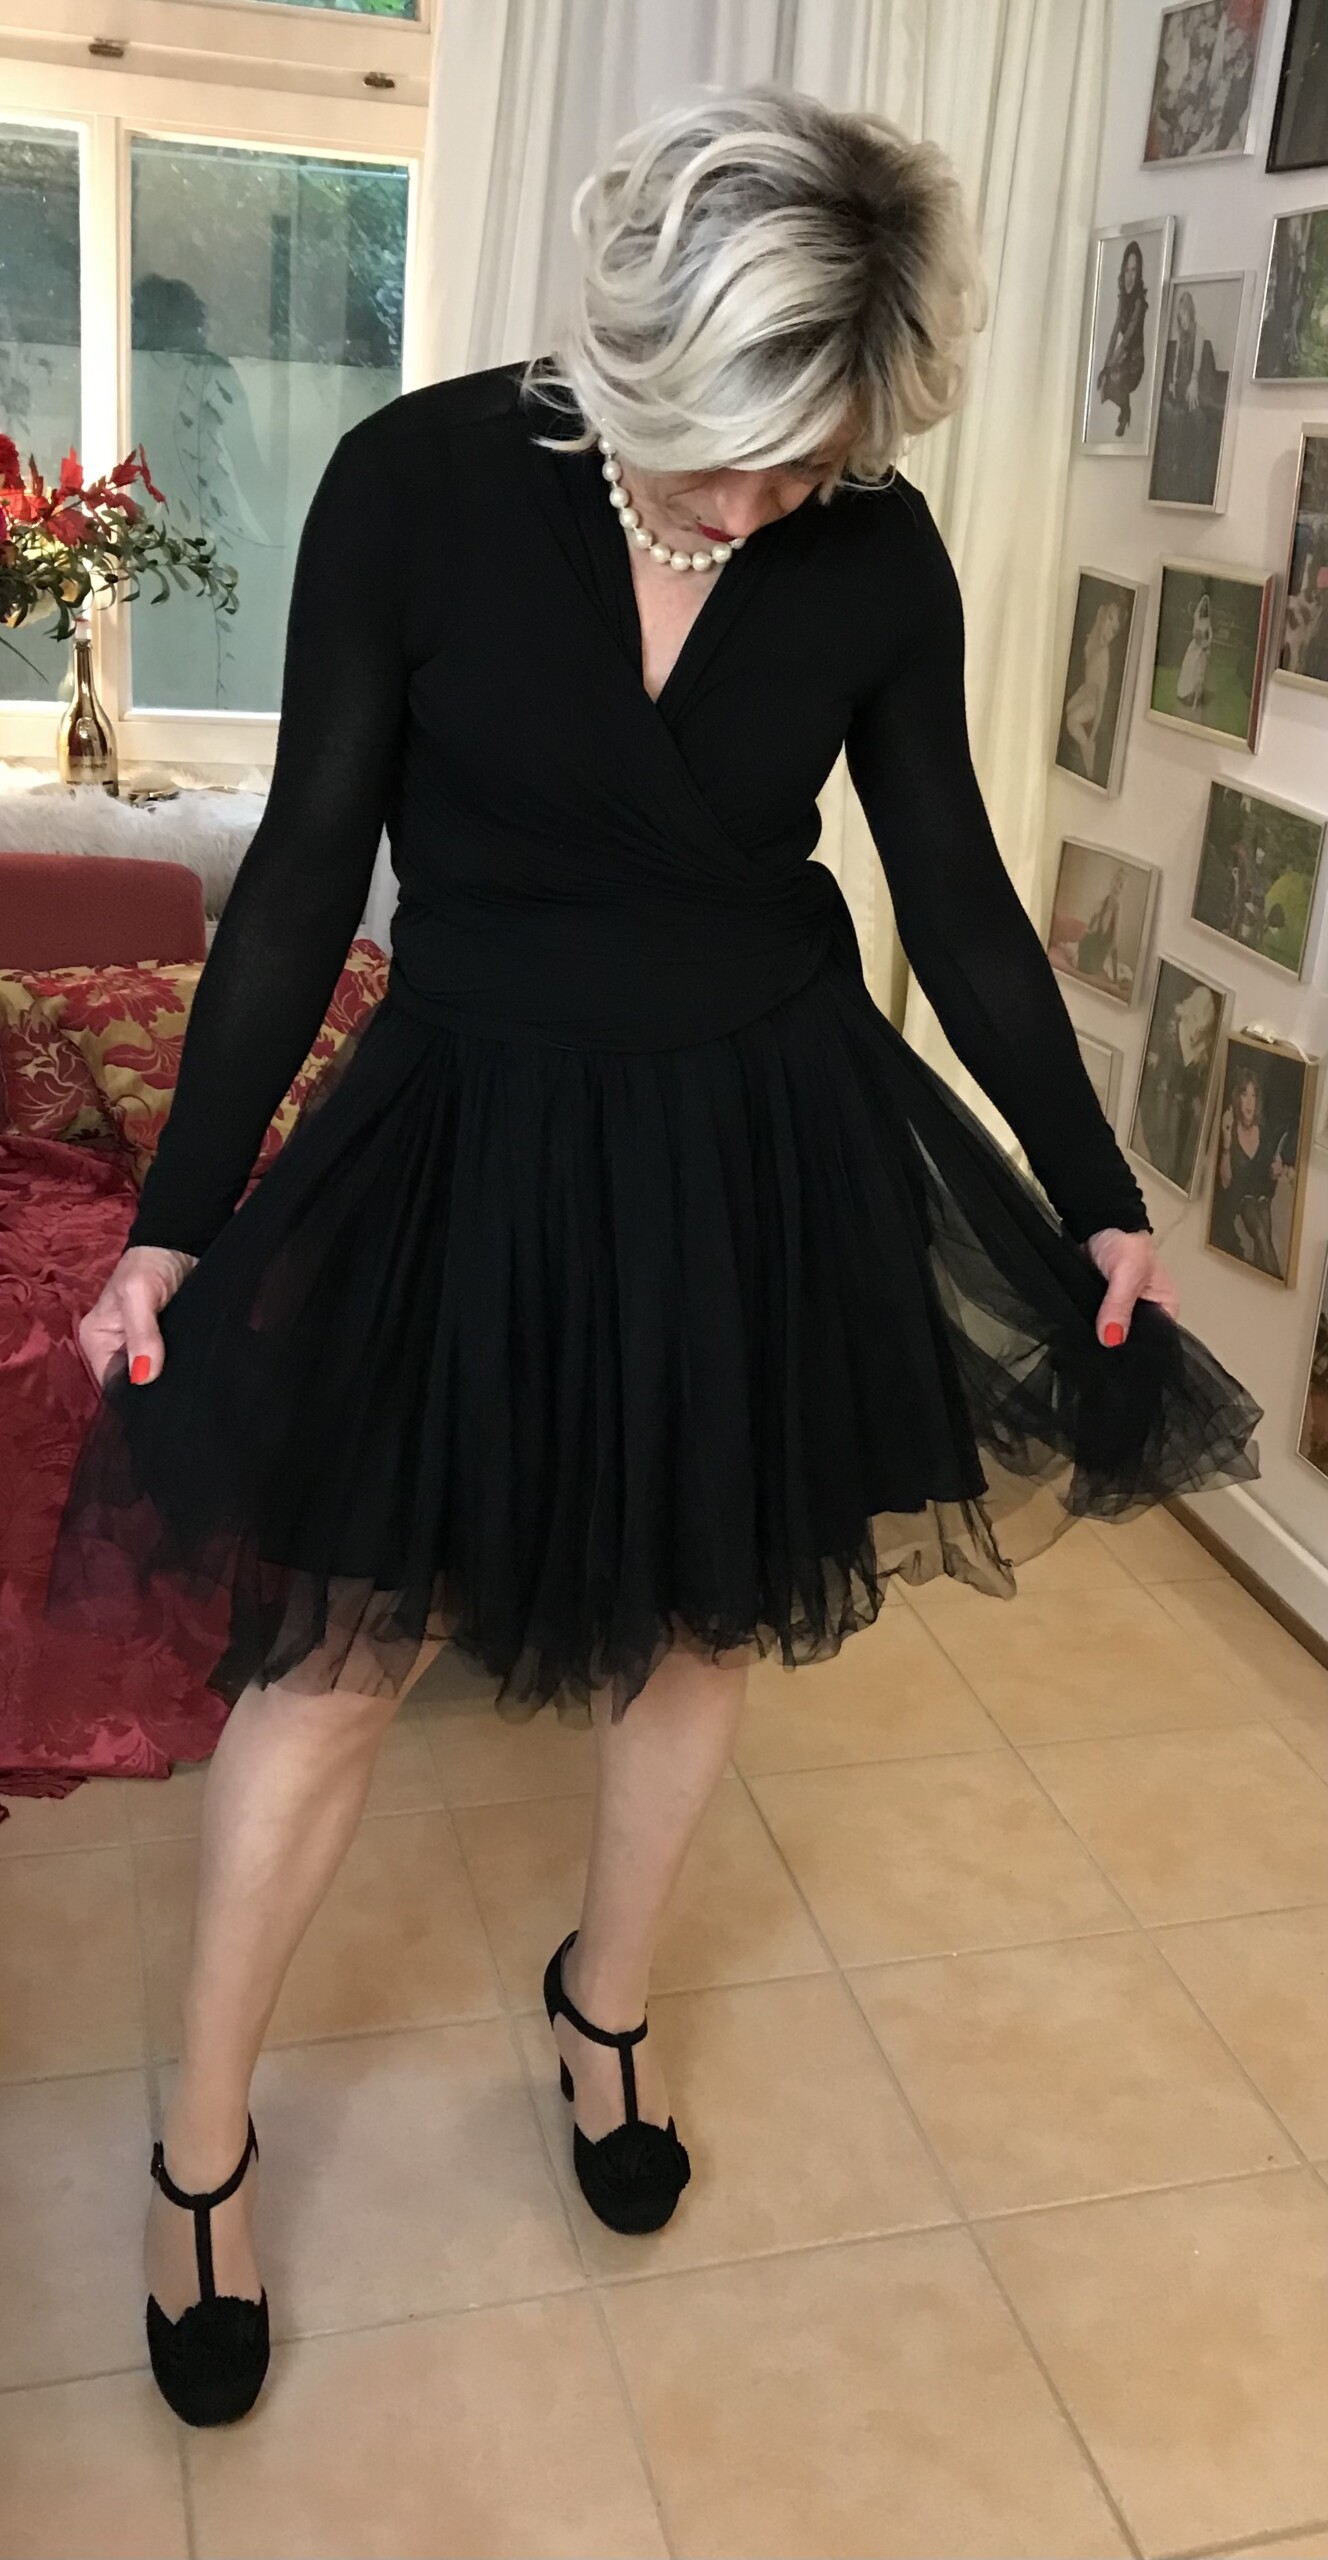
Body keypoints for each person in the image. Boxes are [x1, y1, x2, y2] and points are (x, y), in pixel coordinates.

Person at [44, 82, 1263, 2431]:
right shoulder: (412, 484)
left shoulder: (871, 548)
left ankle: (600, 2002)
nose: (773, 504)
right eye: (739, 456)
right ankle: (200, 2137)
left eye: (818, 460)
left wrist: (1094, 1174)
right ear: (632, 350)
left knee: (705, 1607)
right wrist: (179, 1216)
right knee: (340, 1646)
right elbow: (301, 868)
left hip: (751, 1124)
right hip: (472, 1124)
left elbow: (950, 891)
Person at [1095, 238, 1148, 436]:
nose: (1129, 276)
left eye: (1133, 270)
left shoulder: (1139, 303)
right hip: (1123, 357)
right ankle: (1125, 410)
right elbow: (1115, 330)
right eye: (1127, 270)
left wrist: (1109, 366)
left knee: (1113, 377)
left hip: (1135, 362)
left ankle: (1126, 411)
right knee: (1104, 381)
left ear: (1138, 272)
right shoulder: (1122, 299)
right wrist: (1105, 364)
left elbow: (1126, 342)